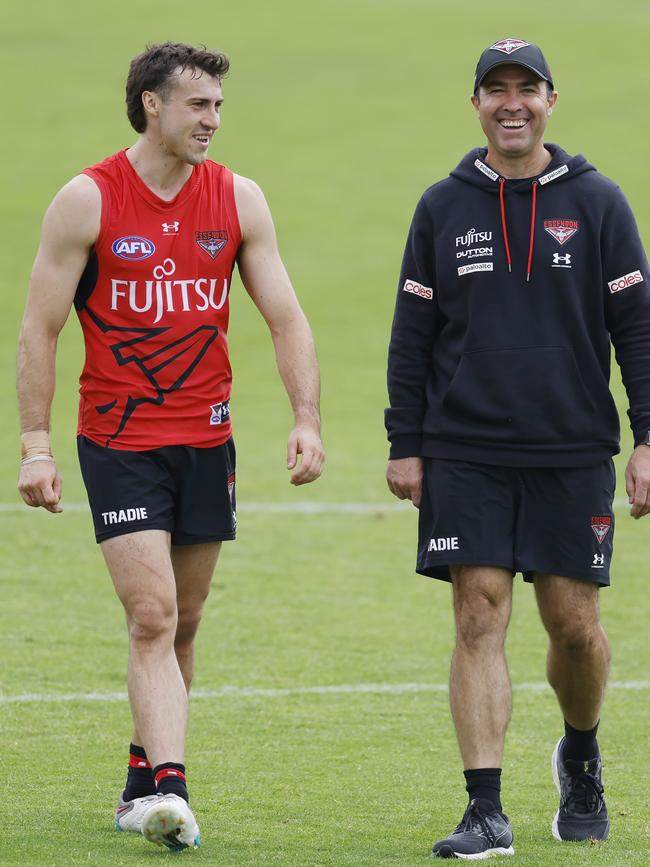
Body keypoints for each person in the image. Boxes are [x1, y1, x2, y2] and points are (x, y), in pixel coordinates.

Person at [17, 42, 324, 853]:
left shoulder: (238, 198)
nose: (213, 120)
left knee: (184, 622)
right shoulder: (87, 201)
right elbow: (40, 328)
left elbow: (286, 316)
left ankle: (136, 783)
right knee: (151, 614)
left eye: (219, 106)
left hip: (207, 438)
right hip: (118, 441)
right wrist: (35, 444)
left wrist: (306, 418)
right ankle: (172, 790)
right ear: (151, 105)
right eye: (198, 105)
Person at [385, 37, 650, 859]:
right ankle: (485, 809)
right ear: (475, 105)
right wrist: (406, 441)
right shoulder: (443, 204)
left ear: (550, 101)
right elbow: (412, 333)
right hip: (465, 447)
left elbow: (637, 328)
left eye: (525, 89)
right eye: (494, 89)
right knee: (478, 613)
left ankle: (581, 750)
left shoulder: (599, 201)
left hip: (572, 449)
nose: (511, 102)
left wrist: (648, 438)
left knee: (573, 624)